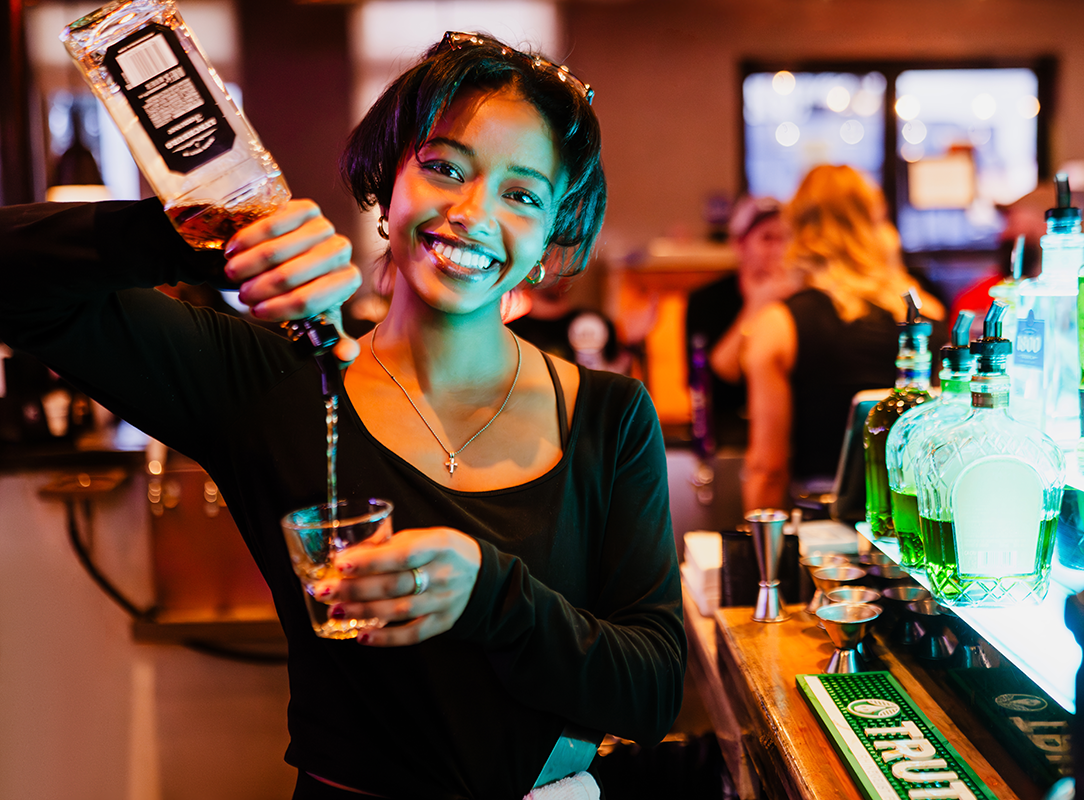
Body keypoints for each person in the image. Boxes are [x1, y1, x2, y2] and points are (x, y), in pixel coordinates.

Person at [0, 31, 684, 800]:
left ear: (554, 239)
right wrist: (204, 236)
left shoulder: (609, 415)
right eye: (443, 167)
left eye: (522, 194)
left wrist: (493, 594)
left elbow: (652, 691)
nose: (471, 212)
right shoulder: (267, 382)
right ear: (387, 180)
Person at [739, 164, 946, 511]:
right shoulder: (932, 316)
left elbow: (767, 469)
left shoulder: (779, 326)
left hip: (821, 537)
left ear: (799, 229)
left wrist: (760, 555)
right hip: (911, 526)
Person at [684, 194, 793, 447]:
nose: (779, 249)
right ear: (740, 245)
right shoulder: (706, 300)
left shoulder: (803, 300)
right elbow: (711, 385)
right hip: (727, 433)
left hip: (788, 430)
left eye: (786, 238)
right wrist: (755, 308)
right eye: (767, 238)